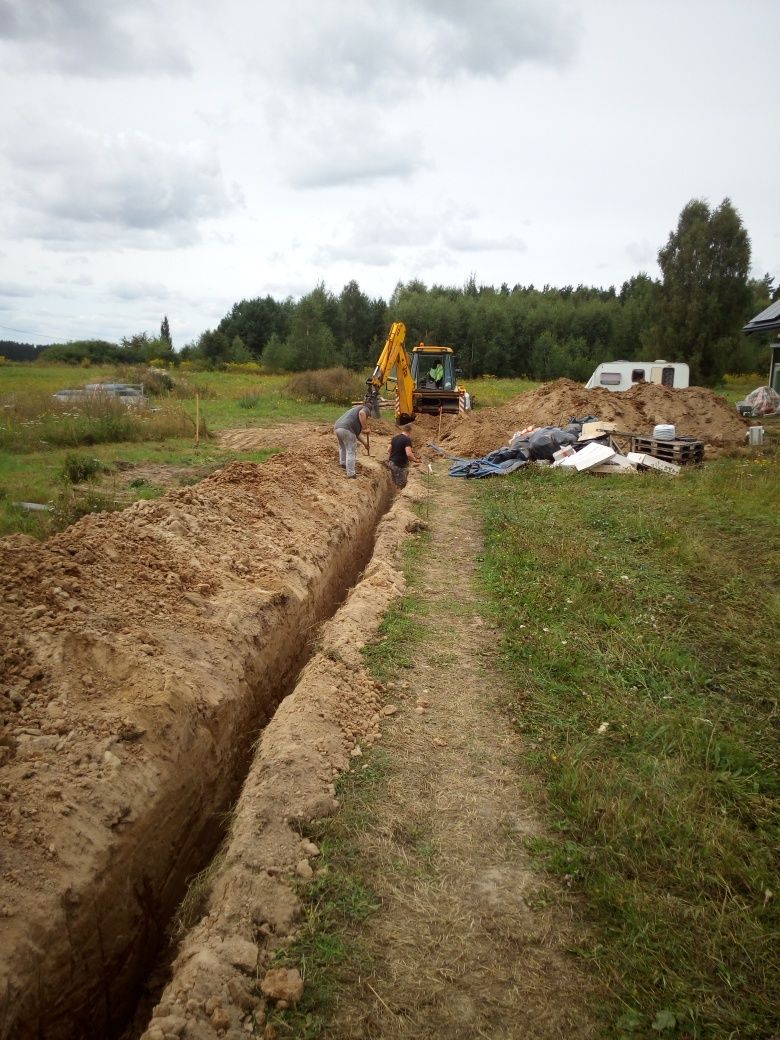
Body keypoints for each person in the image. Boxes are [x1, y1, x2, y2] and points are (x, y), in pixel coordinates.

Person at [333, 402, 370, 478]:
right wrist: (365, 428)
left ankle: (343, 464)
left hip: (338, 427)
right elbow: (362, 413)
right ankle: (351, 474)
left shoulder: (353, 413)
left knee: (342, 447)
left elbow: (356, 434)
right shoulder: (365, 408)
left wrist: (365, 444)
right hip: (346, 428)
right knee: (351, 450)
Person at [387, 423, 421, 489]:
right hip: (398, 465)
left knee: (397, 482)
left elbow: (388, 450)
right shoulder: (407, 439)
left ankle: (396, 495)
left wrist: (395, 455)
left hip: (391, 463)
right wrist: (415, 460)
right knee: (402, 484)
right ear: (410, 431)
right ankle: (399, 497)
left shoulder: (395, 438)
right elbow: (409, 454)